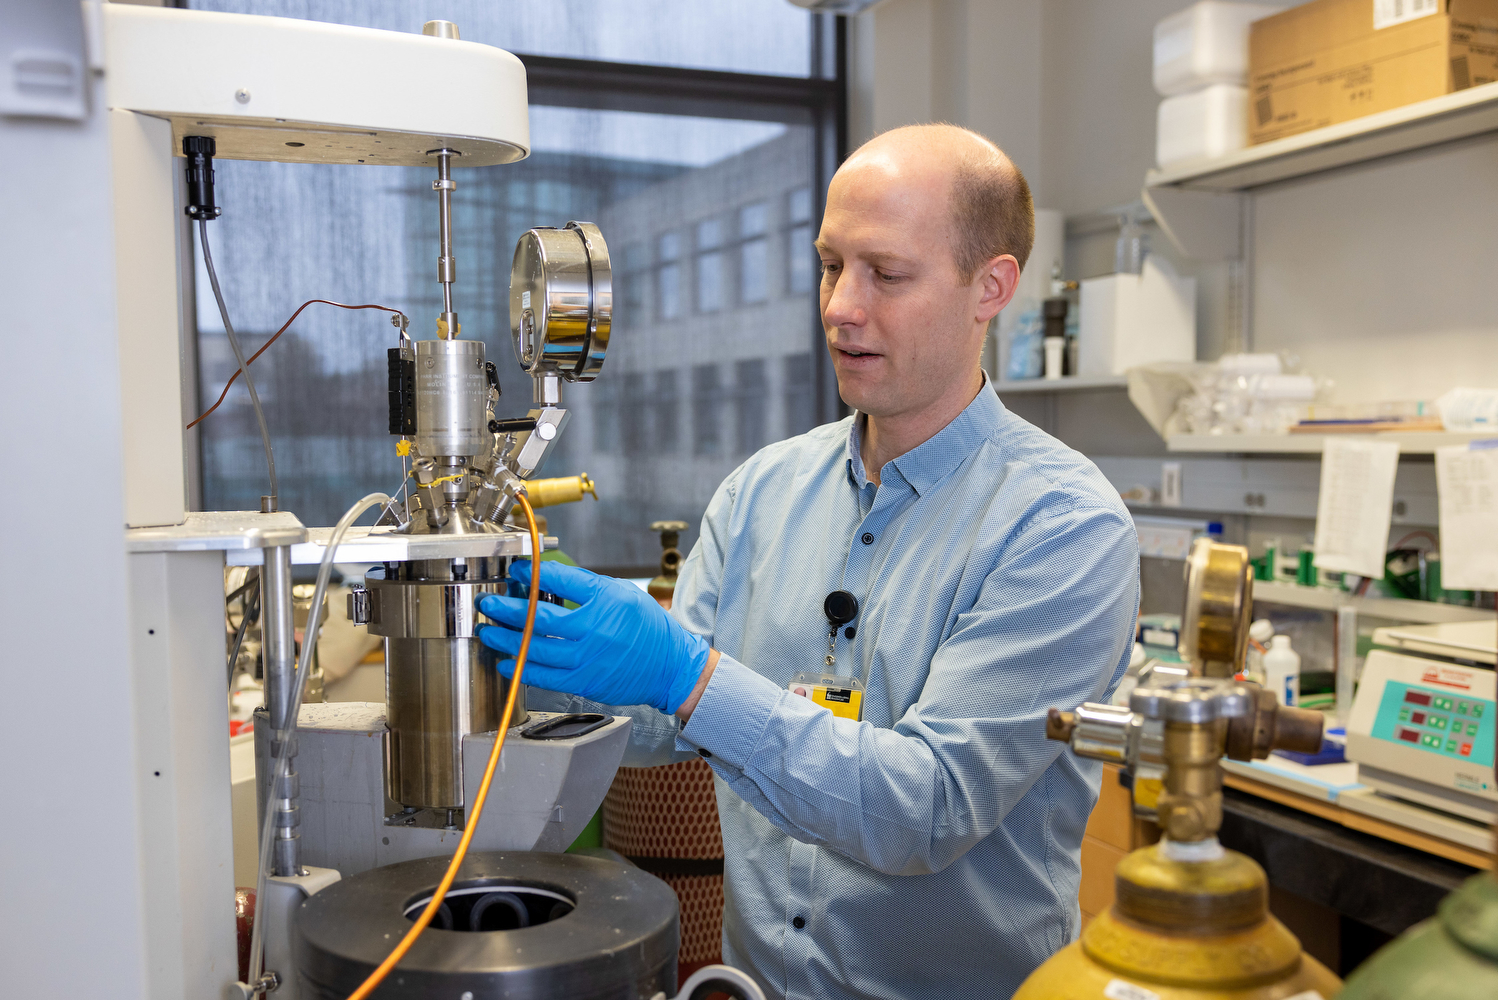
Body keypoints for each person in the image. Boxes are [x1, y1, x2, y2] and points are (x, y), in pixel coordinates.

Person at [477, 123, 1140, 999]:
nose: (839, 306)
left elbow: (924, 810)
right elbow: (660, 724)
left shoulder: (1062, 526)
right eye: (830, 265)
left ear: (992, 286)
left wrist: (686, 673)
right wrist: (528, 658)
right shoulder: (763, 490)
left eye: (886, 274)